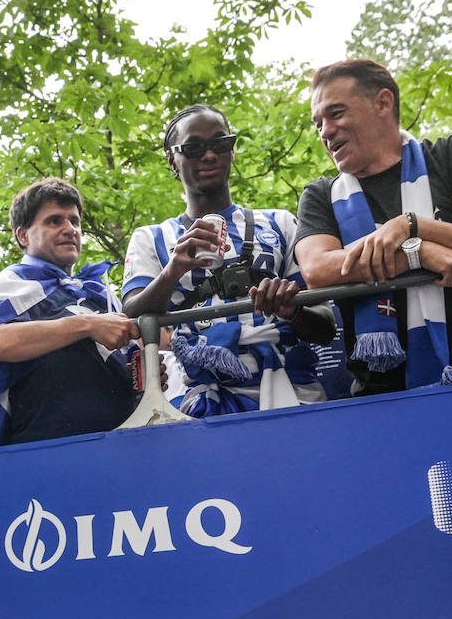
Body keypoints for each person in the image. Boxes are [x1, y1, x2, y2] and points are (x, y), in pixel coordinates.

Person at [295, 59, 452, 394]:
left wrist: (412, 226)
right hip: (378, 399)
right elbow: (318, 270)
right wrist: (420, 254)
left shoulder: (451, 156)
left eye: (336, 114)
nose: (325, 131)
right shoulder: (321, 195)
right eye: (318, 124)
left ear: (383, 103)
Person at [122, 104, 334, 416]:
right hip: (203, 405)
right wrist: (174, 270)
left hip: (295, 394)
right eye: (193, 147)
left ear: (232, 152)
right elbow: (132, 318)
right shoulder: (151, 238)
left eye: (221, 143)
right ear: (172, 160)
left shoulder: (280, 223)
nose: (209, 155)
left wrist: (292, 309)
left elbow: (325, 325)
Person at [0, 178, 139, 447]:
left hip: (121, 442)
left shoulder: (99, 292)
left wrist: (142, 372)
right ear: (23, 235)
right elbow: (0, 343)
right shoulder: (12, 282)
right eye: (54, 221)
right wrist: (88, 325)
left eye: (75, 221)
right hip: (47, 448)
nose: (70, 229)